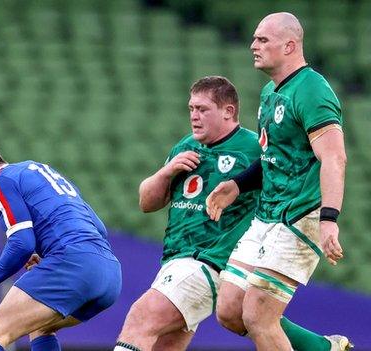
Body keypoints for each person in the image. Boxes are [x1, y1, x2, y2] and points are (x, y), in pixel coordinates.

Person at [206, 12, 351, 351]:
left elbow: (333, 157)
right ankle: (324, 348)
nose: (253, 45)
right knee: (229, 310)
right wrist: (238, 184)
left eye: (262, 39)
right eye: (254, 38)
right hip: (268, 215)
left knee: (259, 316)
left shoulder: (312, 89)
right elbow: (277, 156)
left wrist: (329, 219)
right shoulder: (272, 91)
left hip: (301, 215)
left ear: (289, 45)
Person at [114, 76, 261, 351]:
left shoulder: (253, 149)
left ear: (228, 111)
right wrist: (167, 172)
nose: (194, 116)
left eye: (203, 109)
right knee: (163, 345)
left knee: (140, 318)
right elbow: (147, 202)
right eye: (191, 108)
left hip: (208, 259)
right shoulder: (186, 146)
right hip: (176, 258)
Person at [0, 145, 122, 351]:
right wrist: (49, 253)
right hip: (109, 273)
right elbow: (99, 228)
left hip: (74, 263)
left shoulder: (0, 180)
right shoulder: (38, 171)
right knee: (40, 328)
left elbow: (22, 243)